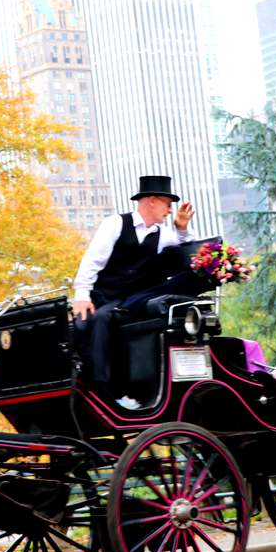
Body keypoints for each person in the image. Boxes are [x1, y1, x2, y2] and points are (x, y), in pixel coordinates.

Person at [72, 175, 195, 409]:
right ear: (152, 201)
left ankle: (120, 390)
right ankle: (96, 388)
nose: (170, 211)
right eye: (168, 204)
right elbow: (93, 260)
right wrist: (81, 295)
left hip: (131, 301)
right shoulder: (115, 224)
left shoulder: (164, 235)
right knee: (90, 321)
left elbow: (187, 254)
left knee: (108, 319)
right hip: (102, 297)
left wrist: (182, 229)